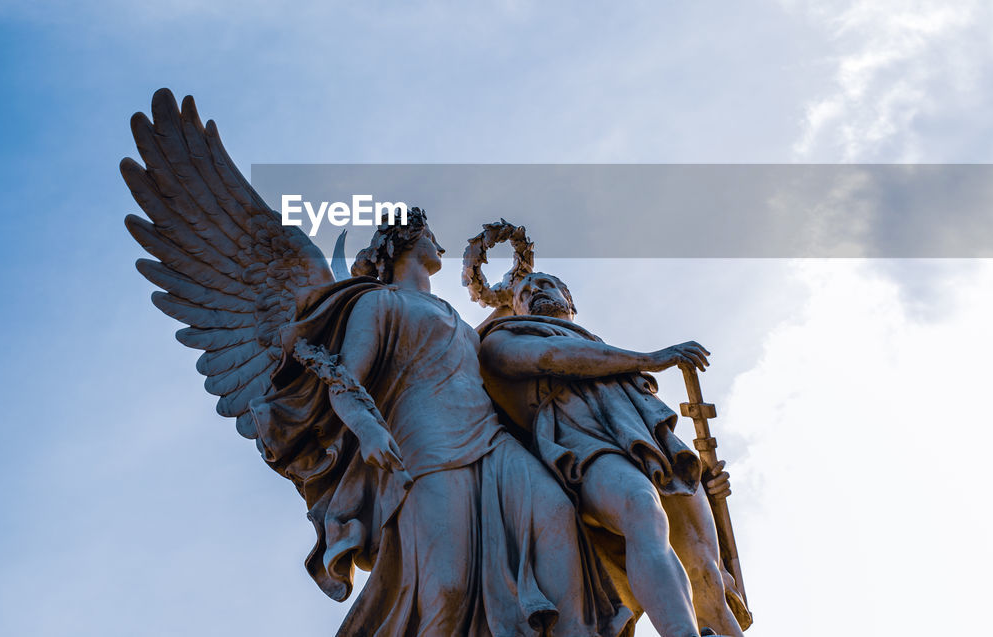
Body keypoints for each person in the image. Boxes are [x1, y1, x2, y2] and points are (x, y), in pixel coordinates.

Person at [251, 213, 629, 637]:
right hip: (426, 445)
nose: (441, 247)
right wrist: (369, 429)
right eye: (429, 236)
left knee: (559, 514)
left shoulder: (460, 320)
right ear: (401, 243)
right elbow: (343, 379)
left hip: (493, 439)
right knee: (447, 588)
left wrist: (516, 294)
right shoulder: (378, 303)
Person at [477, 272, 746, 637]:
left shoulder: (603, 350)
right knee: (639, 506)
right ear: (515, 306)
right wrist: (650, 358)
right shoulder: (502, 337)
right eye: (524, 292)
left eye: (545, 284)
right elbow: (551, 357)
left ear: (570, 301)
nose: (535, 291)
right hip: (579, 440)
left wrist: (710, 485)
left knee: (705, 574)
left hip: (655, 443)